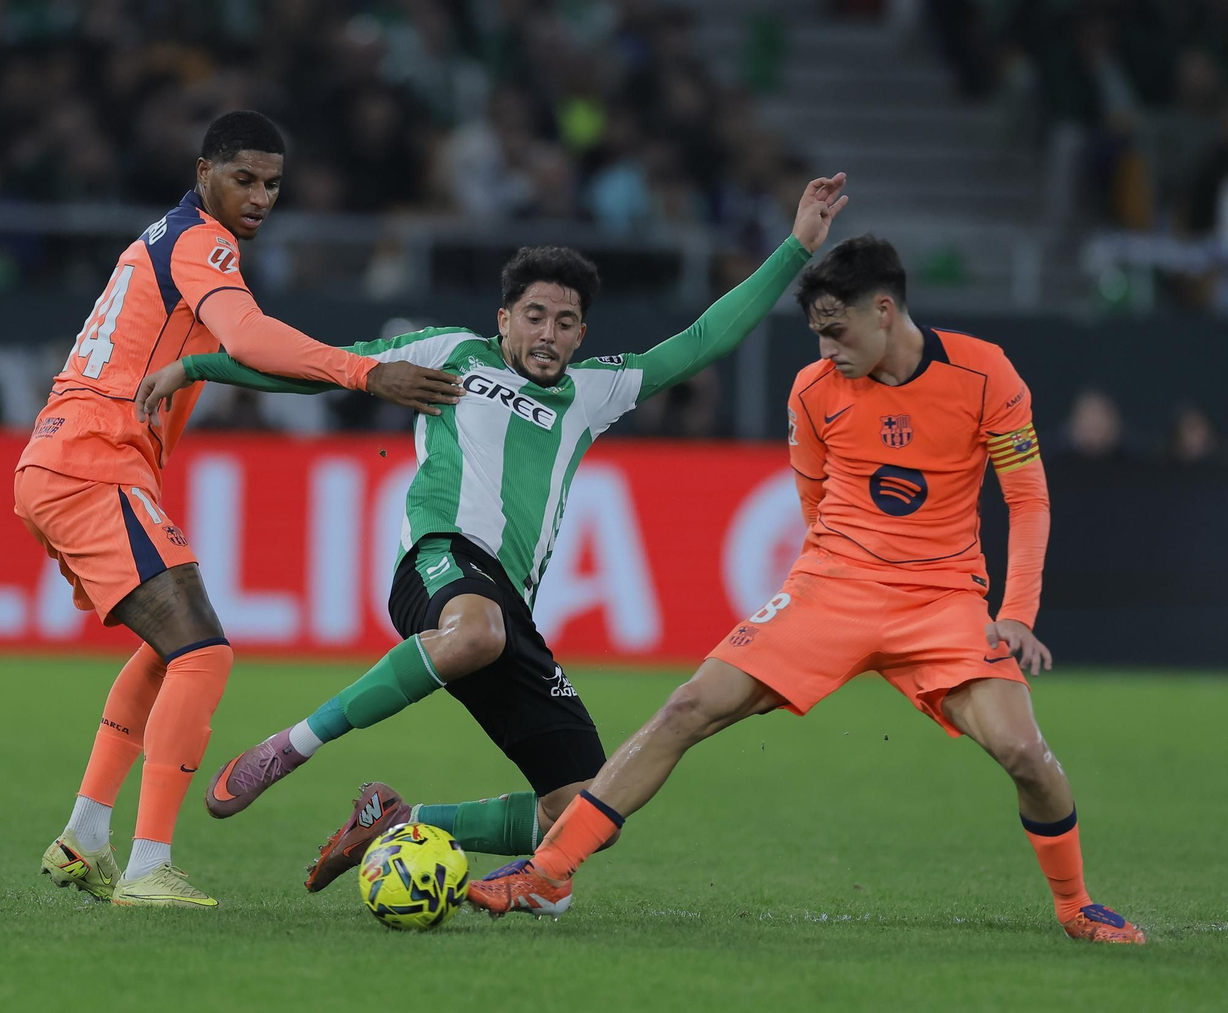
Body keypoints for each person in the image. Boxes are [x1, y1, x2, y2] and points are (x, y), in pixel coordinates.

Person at [135, 175, 850, 893]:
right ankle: (288, 747)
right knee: (477, 632)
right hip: (439, 565)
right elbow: (320, 367)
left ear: (582, 335)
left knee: (586, 807)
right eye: (534, 316)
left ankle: (400, 819)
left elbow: (703, 339)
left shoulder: (594, 391)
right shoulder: (450, 352)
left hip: (509, 607)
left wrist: (795, 247)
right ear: (502, 319)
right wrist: (198, 366)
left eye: (565, 322)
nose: (548, 333)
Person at [468, 235, 1146, 946]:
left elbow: (1028, 498)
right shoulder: (814, 390)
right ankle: (546, 872)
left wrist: (1015, 614)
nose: (825, 349)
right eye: (816, 333)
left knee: (1024, 753)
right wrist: (831, 581)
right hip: (834, 589)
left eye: (836, 330)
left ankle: (1075, 905)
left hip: (942, 602)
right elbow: (815, 500)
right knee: (689, 704)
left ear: (883, 310)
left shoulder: (985, 374)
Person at [18, 110, 464, 909]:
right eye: (244, 179)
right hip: (93, 460)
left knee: (167, 650)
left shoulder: (161, 242)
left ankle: (83, 838)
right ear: (203, 175)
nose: (259, 197)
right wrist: (367, 374)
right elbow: (250, 338)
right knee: (205, 652)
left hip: (66, 458)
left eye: (272, 185)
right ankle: (150, 867)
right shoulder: (203, 242)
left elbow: (228, 354)